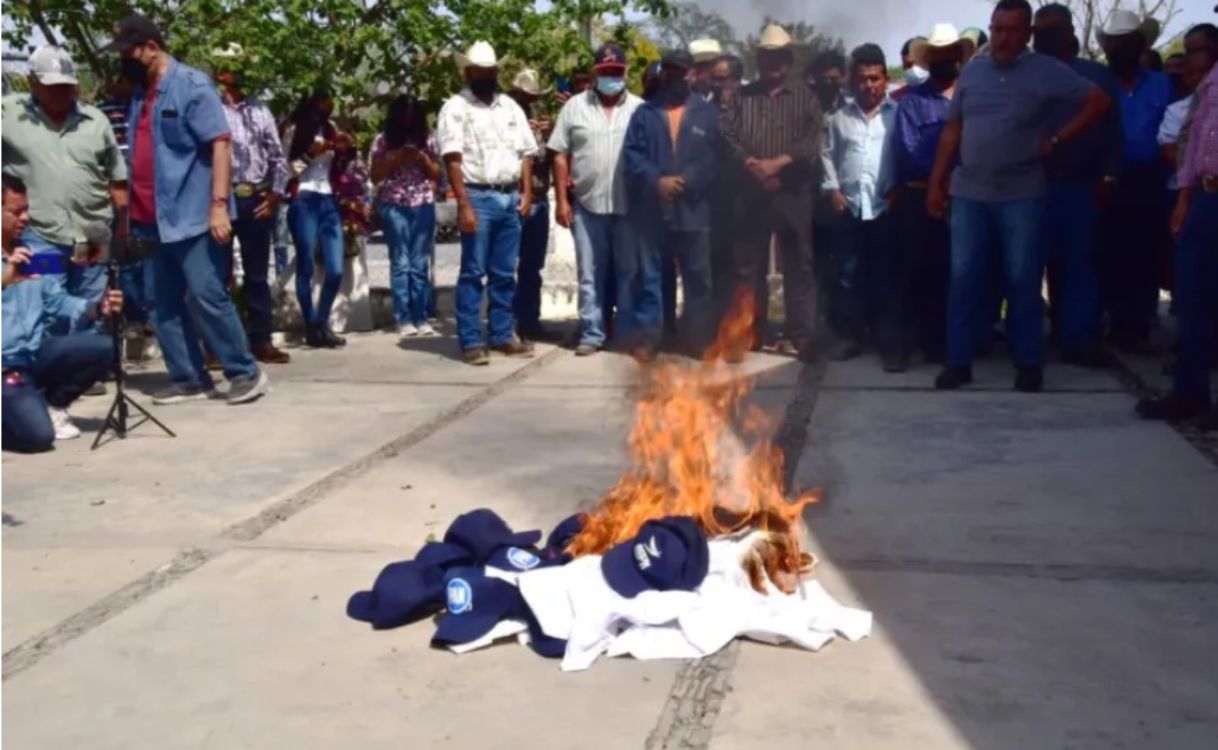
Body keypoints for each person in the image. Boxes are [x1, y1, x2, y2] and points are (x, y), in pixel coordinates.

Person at [927, 0, 1111, 392]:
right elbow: (952, 131)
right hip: (969, 192)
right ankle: (958, 362)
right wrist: (936, 182)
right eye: (996, 29)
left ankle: (1028, 363)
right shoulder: (973, 73)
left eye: (1011, 30)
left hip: (1022, 194)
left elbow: (1098, 101)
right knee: (963, 277)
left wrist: (1059, 138)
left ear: (1027, 34)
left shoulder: (1046, 71)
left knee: (1022, 279)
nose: (1002, 38)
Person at [103, 14, 268, 405]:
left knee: (207, 294)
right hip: (149, 218)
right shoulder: (143, 91)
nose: (123, 61)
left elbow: (221, 145)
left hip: (191, 215)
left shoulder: (192, 85)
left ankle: (244, 372)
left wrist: (217, 207)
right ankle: (189, 377)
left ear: (151, 48)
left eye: (128, 52)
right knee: (160, 301)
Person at [1, 45, 128, 329]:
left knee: (93, 304)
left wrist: (121, 226)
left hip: (90, 235)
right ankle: (51, 368)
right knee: (47, 305)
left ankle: (88, 367)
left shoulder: (96, 122)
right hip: (40, 237)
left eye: (66, 86)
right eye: (52, 86)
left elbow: (117, 179)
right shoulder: (8, 115)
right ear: (33, 82)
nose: (60, 92)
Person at [721, 24, 822, 362]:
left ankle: (800, 336)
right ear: (758, 58)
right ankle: (750, 331)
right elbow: (727, 135)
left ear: (788, 59)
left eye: (778, 56)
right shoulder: (741, 98)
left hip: (792, 192)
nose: (772, 62)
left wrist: (778, 164)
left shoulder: (805, 97)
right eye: (766, 56)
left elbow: (812, 140)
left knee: (798, 266)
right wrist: (752, 164)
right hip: (749, 193)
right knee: (748, 267)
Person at [1032, 4, 1124, 368]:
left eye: (1050, 30)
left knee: (1079, 266)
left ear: (1069, 31)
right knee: (1027, 266)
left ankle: (1078, 340)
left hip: (1080, 187)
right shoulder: (1028, 74)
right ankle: (1028, 338)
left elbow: (1115, 133)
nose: (1043, 38)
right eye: (1038, 32)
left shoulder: (1096, 76)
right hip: (1031, 185)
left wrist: (1110, 175)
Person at [2, 175, 123, 450]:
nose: (25, 218)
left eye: (27, 209)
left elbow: (57, 302)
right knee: (38, 439)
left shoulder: (32, 255)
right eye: (16, 211)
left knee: (106, 346)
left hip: (33, 354)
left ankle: (51, 403)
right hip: (4, 364)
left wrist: (97, 308)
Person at [437, 41, 538, 366]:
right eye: (480, 70)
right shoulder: (455, 107)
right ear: (468, 72)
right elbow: (452, 159)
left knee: (504, 272)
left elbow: (526, 152)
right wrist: (463, 205)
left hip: (510, 197)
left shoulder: (510, 107)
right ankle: (470, 340)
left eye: (490, 70)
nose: (486, 75)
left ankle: (501, 334)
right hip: (477, 196)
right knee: (473, 272)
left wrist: (526, 192)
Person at [1138, 22, 1218, 429]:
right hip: (1204, 196)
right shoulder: (1207, 88)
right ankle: (1190, 393)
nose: (1191, 61)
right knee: (1192, 298)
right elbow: (1193, 148)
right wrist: (1185, 198)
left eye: (1198, 51)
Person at [623, 49, 718, 359]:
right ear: (662, 73)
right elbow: (633, 156)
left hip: (693, 210)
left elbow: (714, 158)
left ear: (692, 74)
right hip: (653, 210)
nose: (674, 77)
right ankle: (652, 337)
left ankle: (698, 340)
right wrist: (657, 181)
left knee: (698, 279)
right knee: (650, 277)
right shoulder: (644, 113)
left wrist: (685, 181)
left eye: (680, 71)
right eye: (669, 71)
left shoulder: (707, 113)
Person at [550, 44, 644, 356]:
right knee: (589, 274)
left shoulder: (639, 109)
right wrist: (562, 201)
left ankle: (627, 332)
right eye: (605, 73)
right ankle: (592, 332)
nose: (611, 77)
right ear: (595, 73)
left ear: (626, 72)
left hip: (629, 207)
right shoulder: (574, 107)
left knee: (628, 273)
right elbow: (560, 154)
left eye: (616, 72)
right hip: (587, 206)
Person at [1096, 10, 1173, 355]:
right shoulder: (1095, 83)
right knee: (1107, 253)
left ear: (1140, 45)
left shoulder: (1162, 84)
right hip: (1104, 180)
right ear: (1107, 46)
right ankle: (1111, 324)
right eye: (1115, 42)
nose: (1120, 49)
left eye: (1128, 42)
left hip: (1150, 180)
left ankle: (1138, 326)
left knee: (1145, 255)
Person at [214, 44, 292, 364]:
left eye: (242, 66)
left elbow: (278, 158)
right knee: (219, 275)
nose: (239, 73)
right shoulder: (210, 108)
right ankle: (219, 346)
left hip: (256, 200)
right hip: (221, 199)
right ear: (219, 71)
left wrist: (274, 195)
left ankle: (261, 340)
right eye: (232, 66)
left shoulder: (260, 110)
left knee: (257, 275)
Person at [820, 43, 897, 368]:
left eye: (876, 78)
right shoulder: (838, 119)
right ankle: (851, 338)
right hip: (849, 206)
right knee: (847, 276)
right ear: (853, 81)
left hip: (884, 207)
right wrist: (832, 189)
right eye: (863, 79)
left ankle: (889, 342)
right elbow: (826, 154)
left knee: (885, 276)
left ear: (886, 80)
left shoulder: (898, 115)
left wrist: (900, 189)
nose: (870, 85)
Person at [892, 24, 964, 366]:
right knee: (911, 272)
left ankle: (942, 344)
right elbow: (908, 151)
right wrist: (940, 175)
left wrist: (955, 177)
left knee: (951, 274)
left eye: (950, 55)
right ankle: (903, 345)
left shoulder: (970, 99)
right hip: (918, 199)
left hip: (963, 200)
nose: (944, 61)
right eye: (937, 56)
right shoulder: (912, 104)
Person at [371, 95, 441, 339]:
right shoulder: (382, 141)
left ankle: (421, 316)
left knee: (420, 263)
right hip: (394, 203)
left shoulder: (428, 140)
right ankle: (403, 317)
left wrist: (422, 158)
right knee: (400, 263)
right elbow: (374, 175)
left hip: (423, 203)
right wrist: (396, 157)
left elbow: (437, 174)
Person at [283, 90, 348, 349]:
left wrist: (344, 149)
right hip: (304, 197)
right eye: (326, 98)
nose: (330, 104)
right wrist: (311, 153)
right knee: (306, 264)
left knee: (335, 268)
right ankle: (312, 324)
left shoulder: (331, 128)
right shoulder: (294, 128)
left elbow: (340, 165)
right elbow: (285, 171)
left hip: (328, 199)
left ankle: (321, 321)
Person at [507, 69, 555, 343]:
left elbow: (550, 160)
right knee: (506, 265)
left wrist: (549, 135)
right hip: (514, 198)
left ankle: (530, 320)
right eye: (524, 95)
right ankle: (509, 322)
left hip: (539, 197)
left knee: (532, 266)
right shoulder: (506, 122)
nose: (528, 100)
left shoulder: (540, 124)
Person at [806, 50, 847, 115]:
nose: (828, 82)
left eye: (833, 79)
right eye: (823, 79)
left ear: (843, 77)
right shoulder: (802, 106)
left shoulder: (849, 112)